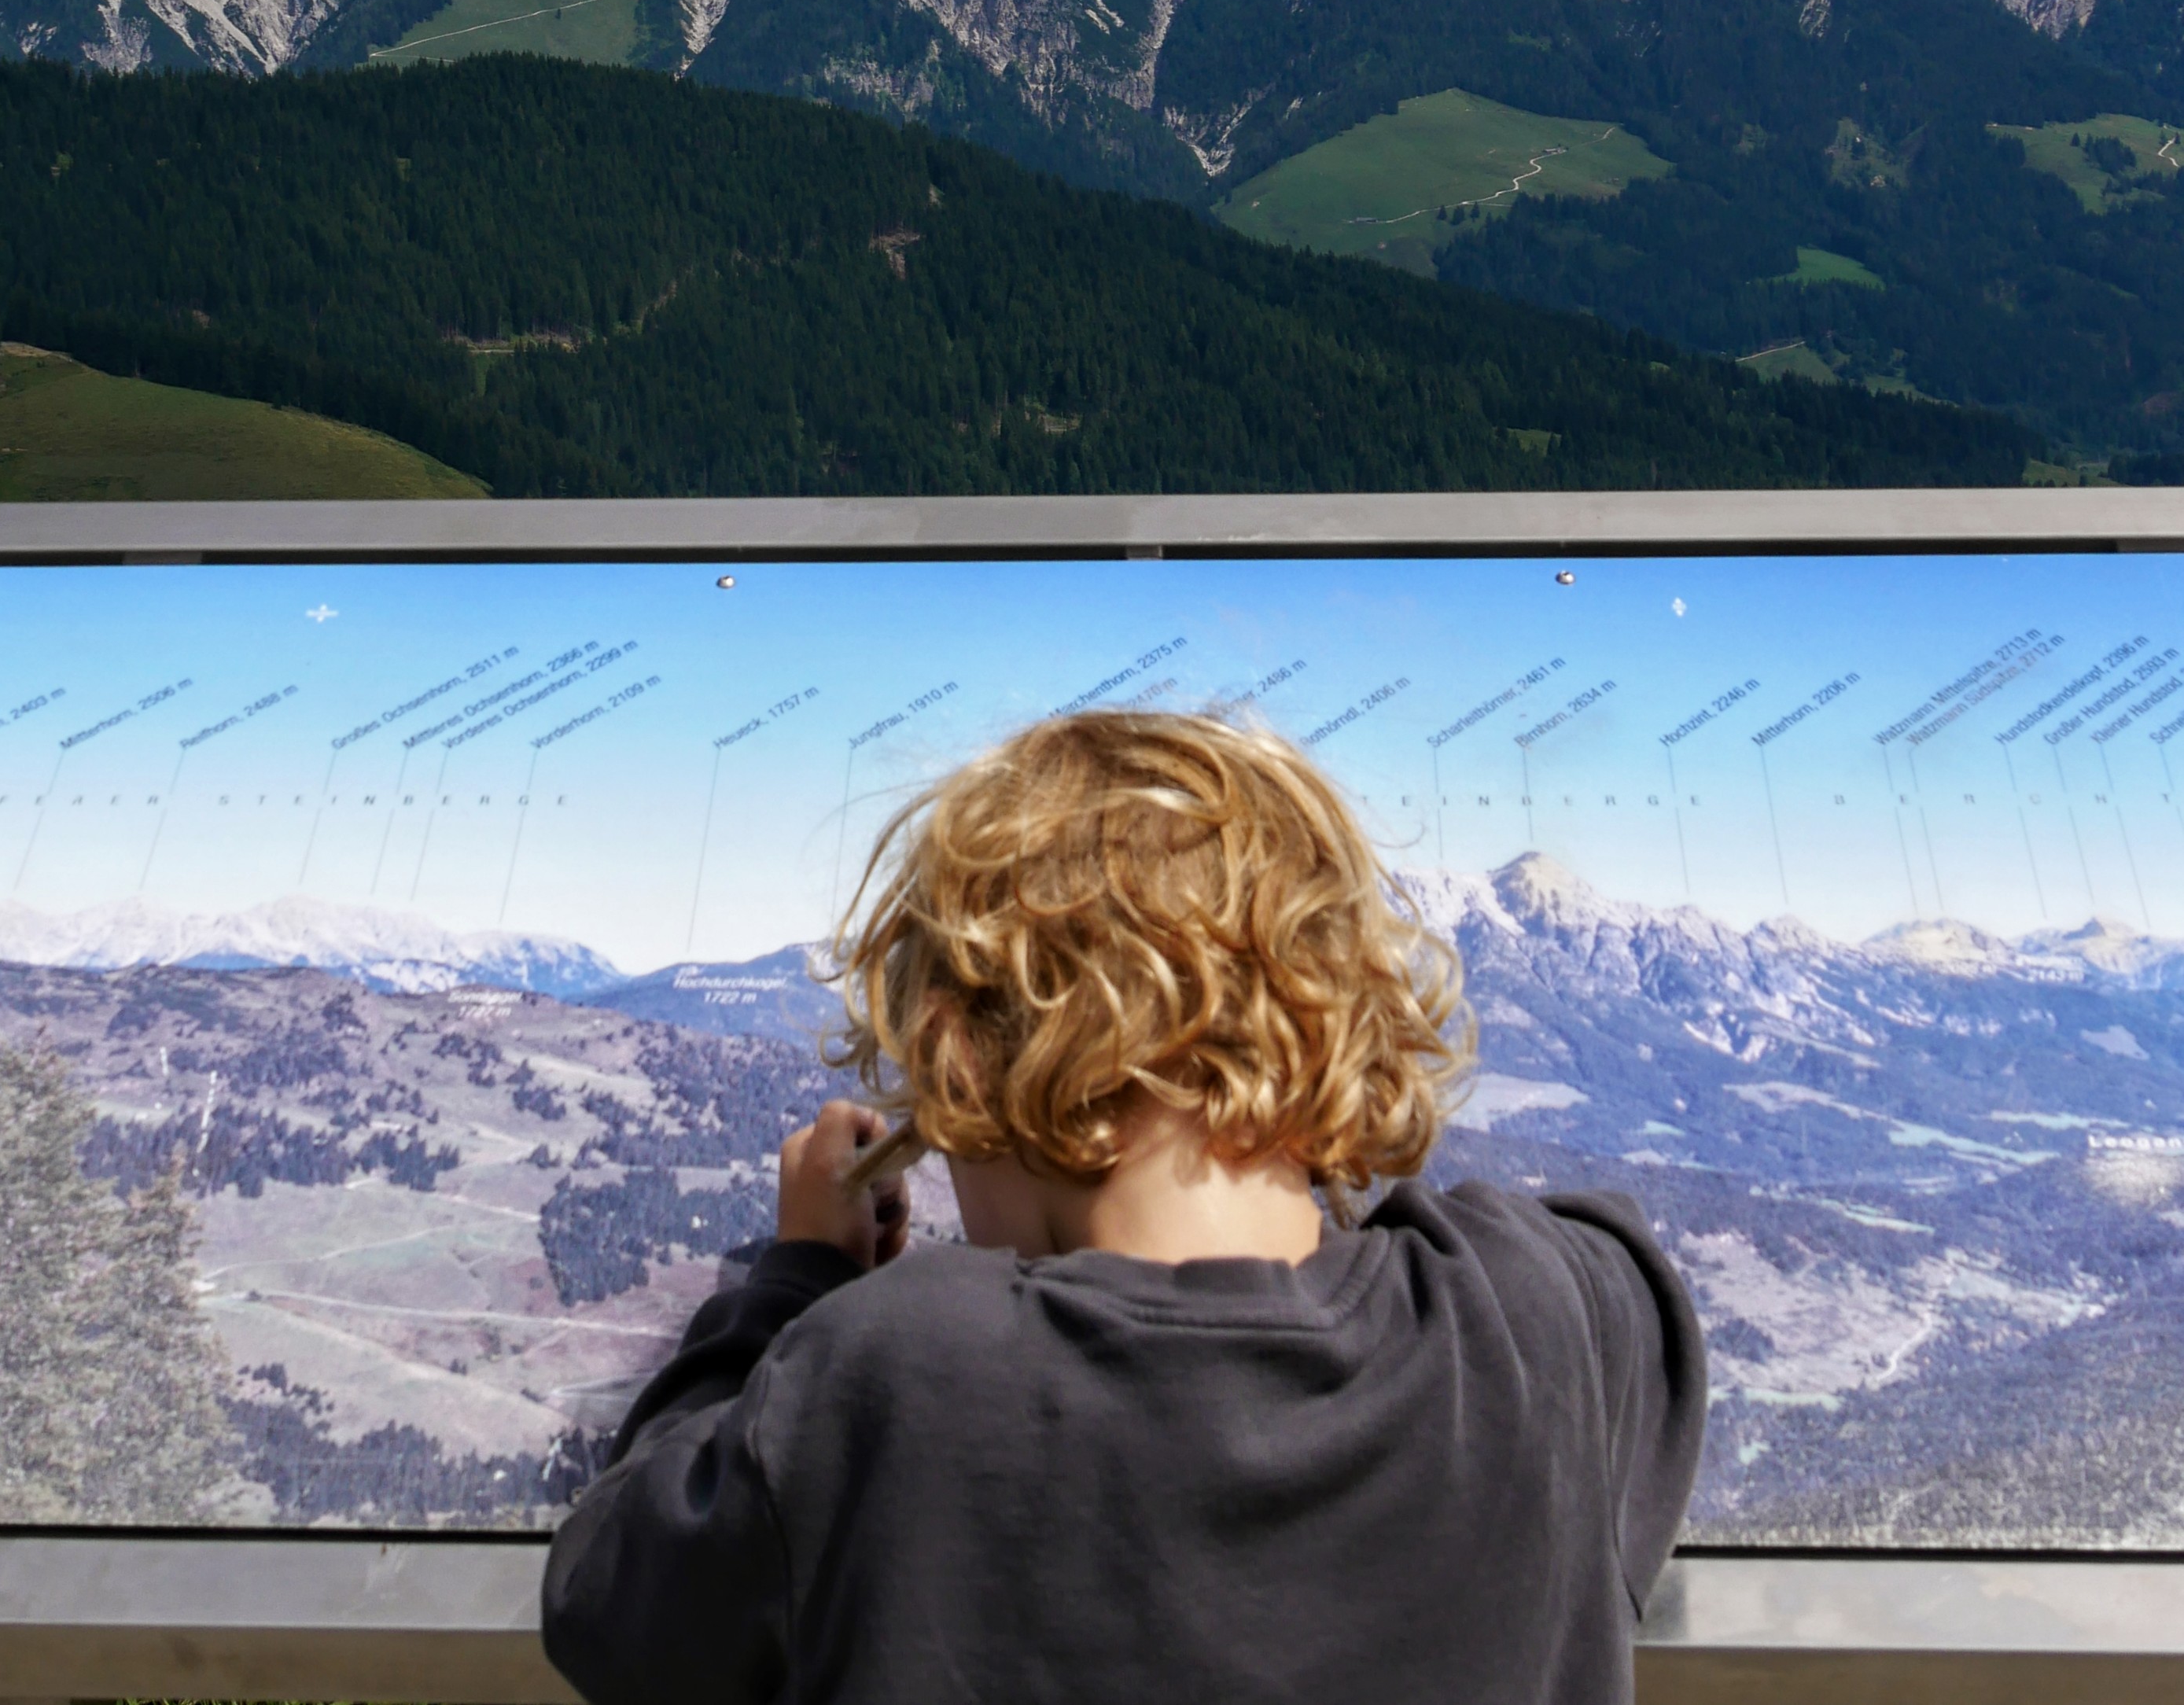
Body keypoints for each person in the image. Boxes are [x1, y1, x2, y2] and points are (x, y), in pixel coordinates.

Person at [543, 706, 1704, 1705]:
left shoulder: (896, 1370)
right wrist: (1305, 1122)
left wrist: (794, 1276)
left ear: (954, 1062)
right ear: (1340, 1017)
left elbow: (610, 1600)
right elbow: (1610, 1257)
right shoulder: (1543, 1321)